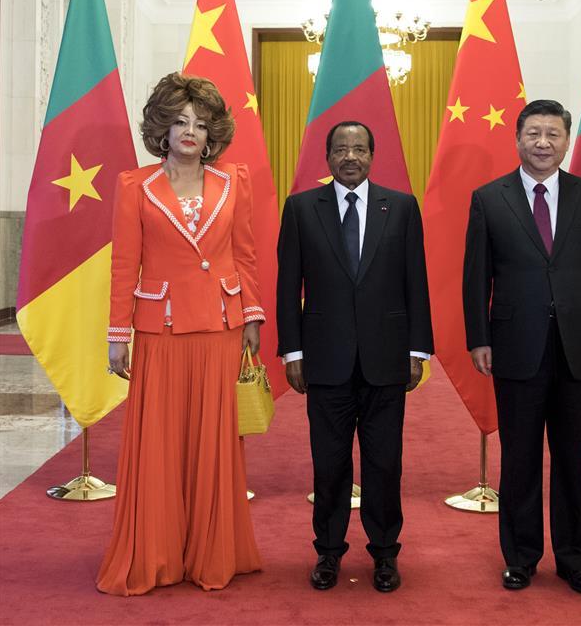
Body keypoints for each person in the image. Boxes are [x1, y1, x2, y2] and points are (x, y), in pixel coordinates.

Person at [98, 73, 264, 595]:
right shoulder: (135, 186)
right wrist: (117, 333)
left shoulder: (234, 181)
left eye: (201, 123)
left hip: (220, 327)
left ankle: (211, 552)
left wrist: (252, 316)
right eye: (181, 121)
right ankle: (158, 554)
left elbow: (245, 253)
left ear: (213, 133)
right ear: (163, 129)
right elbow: (124, 263)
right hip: (160, 331)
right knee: (161, 445)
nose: (190, 131)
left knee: (215, 442)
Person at [462, 99, 581, 595]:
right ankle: (520, 557)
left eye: (553, 134)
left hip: (580, 344)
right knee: (519, 457)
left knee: (574, 456)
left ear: (566, 141)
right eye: (533, 133)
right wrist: (479, 337)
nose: (543, 143)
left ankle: (576, 559)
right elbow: (476, 276)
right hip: (515, 344)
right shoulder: (489, 198)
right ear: (517, 139)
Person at [276, 121, 433, 593]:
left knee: (385, 463)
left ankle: (385, 553)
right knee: (329, 464)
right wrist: (293, 351)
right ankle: (328, 552)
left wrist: (417, 349)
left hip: (387, 359)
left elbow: (416, 281)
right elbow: (288, 286)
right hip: (325, 360)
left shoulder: (400, 207)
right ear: (327, 157)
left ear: (372, 155)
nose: (350, 157)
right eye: (341, 149)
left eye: (359, 149)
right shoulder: (302, 208)